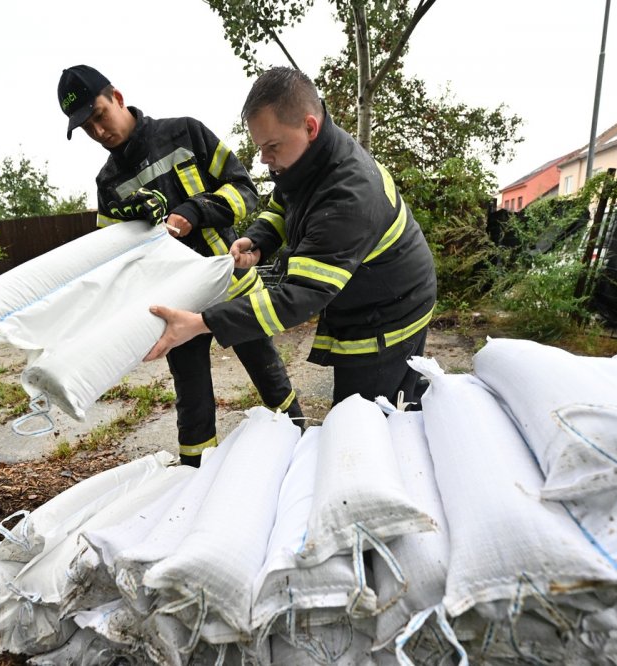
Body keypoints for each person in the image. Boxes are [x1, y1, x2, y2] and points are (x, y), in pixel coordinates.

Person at [144, 67, 437, 408]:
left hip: (389, 316)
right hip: (368, 296)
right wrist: (260, 239)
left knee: (367, 418)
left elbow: (299, 297)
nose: (265, 160)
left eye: (271, 146)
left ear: (309, 126)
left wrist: (202, 322)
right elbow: (285, 201)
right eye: (259, 147)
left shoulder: (348, 195)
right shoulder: (310, 156)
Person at [57, 64, 303, 467]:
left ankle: (300, 441)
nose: (98, 131)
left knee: (270, 376)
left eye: (99, 115)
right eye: (86, 127)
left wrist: (197, 210)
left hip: (233, 288)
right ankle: (195, 480)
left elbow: (245, 189)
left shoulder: (185, 133)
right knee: (192, 401)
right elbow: (115, 260)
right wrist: (136, 229)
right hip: (176, 306)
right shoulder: (108, 184)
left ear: (117, 97)